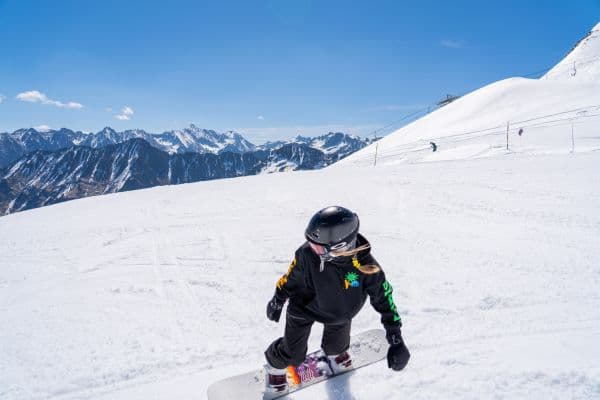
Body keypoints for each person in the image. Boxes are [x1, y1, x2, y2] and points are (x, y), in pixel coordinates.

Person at [264, 206, 410, 395]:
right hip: (304, 306)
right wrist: (278, 298)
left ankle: (336, 354)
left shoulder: (367, 268)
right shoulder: (307, 254)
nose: (311, 248)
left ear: (340, 247)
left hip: (340, 313)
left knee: (336, 346)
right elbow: (291, 277)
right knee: (293, 354)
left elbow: (385, 300)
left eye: (317, 246)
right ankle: (275, 367)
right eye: (310, 243)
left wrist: (396, 339)